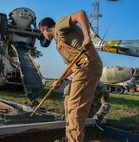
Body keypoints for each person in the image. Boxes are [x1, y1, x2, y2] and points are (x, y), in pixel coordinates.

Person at [39, 10, 103, 142]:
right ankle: (70, 138)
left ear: (44, 28)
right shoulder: (58, 44)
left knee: (76, 109)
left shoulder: (59, 26)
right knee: (68, 100)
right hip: (80, 69)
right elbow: (71, 67)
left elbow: (80, 14)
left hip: (88, 66)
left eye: (41, 32)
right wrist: (59, 81)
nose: (43, 35)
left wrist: (87, 36)